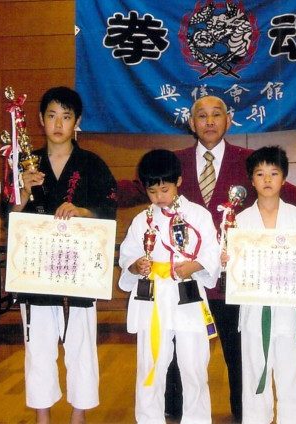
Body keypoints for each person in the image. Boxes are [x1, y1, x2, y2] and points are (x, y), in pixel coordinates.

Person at [116, 95, 296, 421]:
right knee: (175, 359)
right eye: (201, 116)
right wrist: (94, 197)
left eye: (216, 114)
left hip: (232, 280)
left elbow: (286, 193)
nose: (208, 121)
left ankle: (243, 415)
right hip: (181, 286)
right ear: (191, 123)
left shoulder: (250, 162)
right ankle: (172, 413)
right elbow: (137, 189)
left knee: (241, 357)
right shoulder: (172, 164)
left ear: (228, 120)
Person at [12, 86, 117, 424]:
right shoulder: (25, 164)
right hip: (37, 272)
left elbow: (109, 208)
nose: (59, 123)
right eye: (52, 115)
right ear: (41, 121)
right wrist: (24, 191)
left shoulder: (92, 164)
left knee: (81, 347)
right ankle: (43, 416)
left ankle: (78, 415)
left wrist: (83, 211)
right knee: (39, 348)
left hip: (79, 273)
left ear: (77, 122)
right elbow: (9, 214)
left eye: (66, 117)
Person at [222, 146, 296, 424]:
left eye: (274, 173)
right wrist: (227, 259)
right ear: (251, 180)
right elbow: (233, 268)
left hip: (289, 312)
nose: (267, 179)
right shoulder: (240, 220)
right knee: (254, 376)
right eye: (260, 174)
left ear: (284, 178)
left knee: (292, 377)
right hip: (254, 312)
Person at [118, 149, 221, 424]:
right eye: (153, 191)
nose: (159, 196)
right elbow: (126, 254)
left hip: (187, 294)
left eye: (165, 188)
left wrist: (195, 265)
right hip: (153, 297)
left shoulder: (198, 215)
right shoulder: (142, 221)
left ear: (179, 181)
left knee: (194, 365)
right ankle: (149, 419)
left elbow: (212, 251)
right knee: (150, 364)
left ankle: (197, 420)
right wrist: (136, 264)